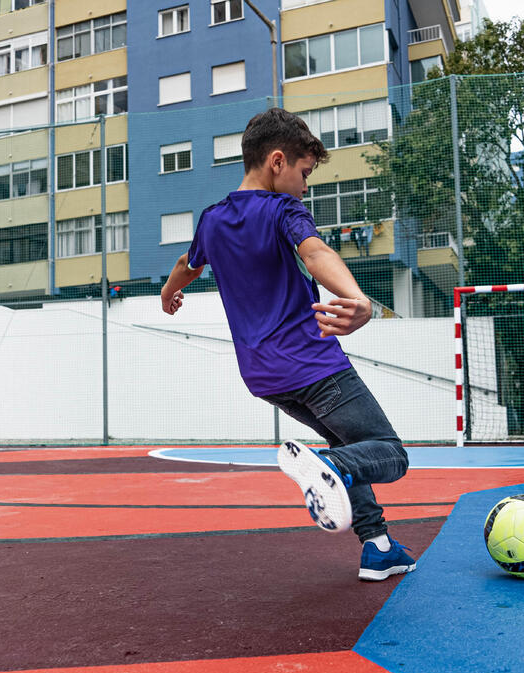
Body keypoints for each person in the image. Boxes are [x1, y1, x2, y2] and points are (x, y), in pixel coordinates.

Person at [160, 108, 414, 582]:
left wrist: (167, 291)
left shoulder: (212, 220)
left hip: (263, 377)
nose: (305, 185)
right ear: (277, 161)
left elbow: (187, 262)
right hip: (311, 365)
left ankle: (378, 546)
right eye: (304, 173)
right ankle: (327, 466)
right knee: (388, 453)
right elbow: (315, 249)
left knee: (346, 444)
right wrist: (356, 298)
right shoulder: (283, 210)